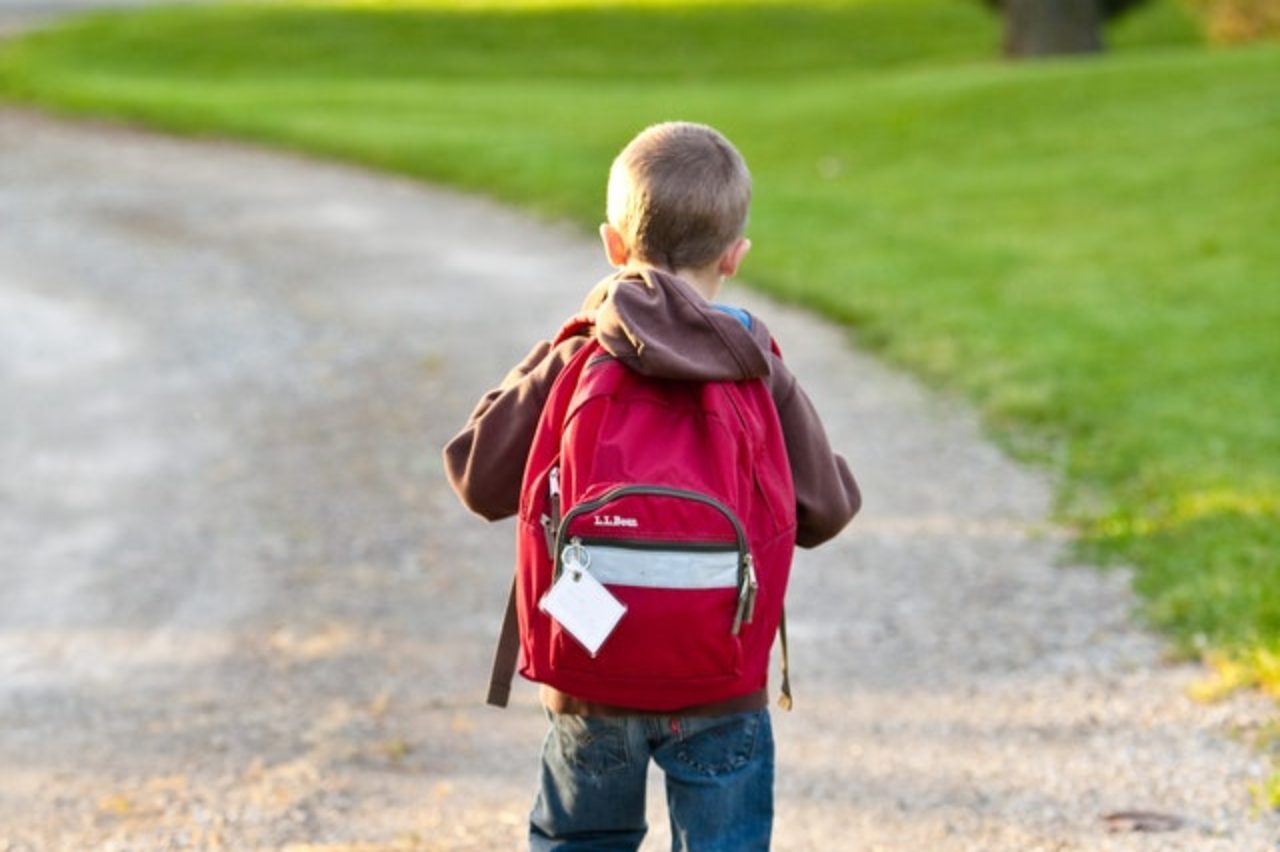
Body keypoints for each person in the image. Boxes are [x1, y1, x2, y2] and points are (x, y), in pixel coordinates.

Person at [443, 121, 860, 851]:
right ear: (735, 256)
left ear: (612, 245)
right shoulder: (755, 362)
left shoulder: (580, 350)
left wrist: (558, 346)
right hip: (720, 681)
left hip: (590, 672)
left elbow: (478, 477)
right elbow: (826, 512)